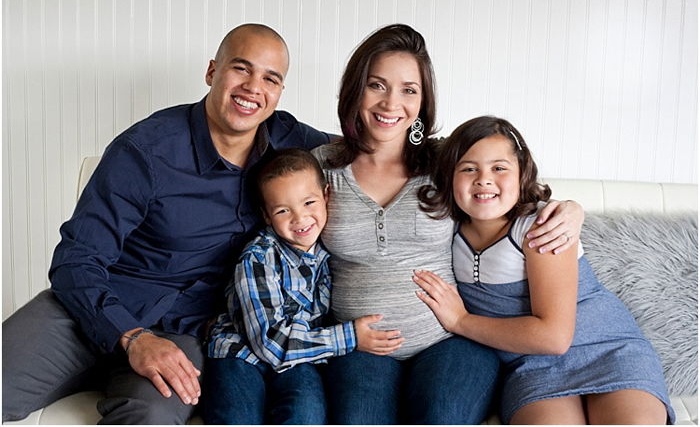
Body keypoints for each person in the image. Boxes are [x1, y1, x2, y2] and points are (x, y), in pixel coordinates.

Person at [2, 24, 332, 424]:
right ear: (212, 72)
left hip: (182, 331)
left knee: (150, 416)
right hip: (90, 307)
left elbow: (375, 146)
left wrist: (422, 137)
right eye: (240, 69)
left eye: (270, 78)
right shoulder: (145, 150)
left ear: (279, 92)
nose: (252, 87)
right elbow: (76, 259)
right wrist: (132, 336)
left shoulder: (287, 139)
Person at [311, 23, 586, 424]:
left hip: (449, 340)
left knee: (443, 417)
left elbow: (508, 191)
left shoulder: (444, 162)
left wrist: (572, 208)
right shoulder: (320, 167)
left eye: (409, 89)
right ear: (355, 90)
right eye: (377, 85)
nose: (392, 103)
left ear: (423, 102)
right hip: (363, 345)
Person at [413, 116, 675, 424]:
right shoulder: (446, 229)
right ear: (448, 175)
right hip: (532, 366)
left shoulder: (541, 228)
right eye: (469, 168)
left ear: (522, 173)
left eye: (499, 168)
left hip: (610, 351)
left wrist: (461, 321)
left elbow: (554, 337)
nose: (483, 179)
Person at [203, 148, 403, 424]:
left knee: (307, 413)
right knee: (238, 417)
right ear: (266, 215)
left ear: (326, 196)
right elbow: (269, 343)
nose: (300, 219)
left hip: (300, 358)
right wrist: (349, 337)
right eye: (283, 210)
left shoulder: (330, 251)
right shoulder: (259, 258)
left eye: (309, 203)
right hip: (240, 356)